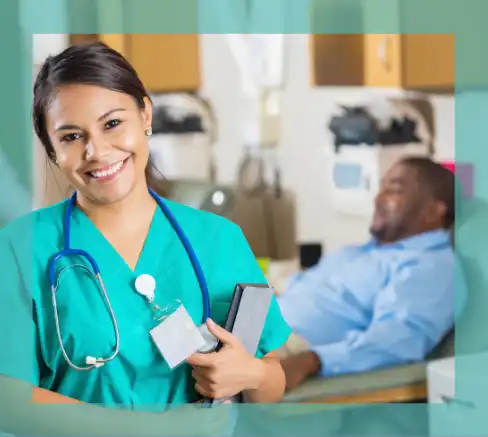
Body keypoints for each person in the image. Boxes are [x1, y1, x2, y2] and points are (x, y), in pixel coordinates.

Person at [0, 41, 291, 435]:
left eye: (112, 124)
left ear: (145, 116)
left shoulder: (219, 239)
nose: (97, 151)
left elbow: (271, 380)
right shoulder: (20, 248)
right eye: (71, 136)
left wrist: (251, 374)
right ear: (52, 151)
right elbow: (11, 401)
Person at [277, 157, 465, 390]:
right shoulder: (358, 253)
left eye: (394, 190)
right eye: (380, 188)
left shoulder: (430, 267)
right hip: (256, 325)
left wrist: (312, 360)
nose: (377, 199)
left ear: (433, 211)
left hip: (285, 348)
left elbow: (396, 340)